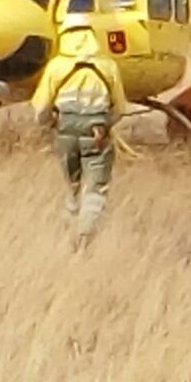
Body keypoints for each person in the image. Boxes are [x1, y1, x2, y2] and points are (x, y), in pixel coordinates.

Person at [30, 27, 127, 244]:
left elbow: (41, 108)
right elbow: (120, 108)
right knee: (96, 187)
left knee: (72, 185)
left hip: (65, 130)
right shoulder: (108, 65)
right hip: (96, 131)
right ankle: (86, 234)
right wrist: (104, 125)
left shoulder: (56, 66)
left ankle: (67, 233)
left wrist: (51, 124)